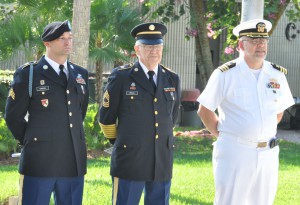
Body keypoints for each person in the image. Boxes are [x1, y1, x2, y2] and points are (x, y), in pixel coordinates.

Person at [197, 19, 295, 205]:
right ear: (241, 44)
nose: (261, 45)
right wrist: (223, 134)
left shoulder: (277, 74)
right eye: (255, 40)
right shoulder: (225, 74)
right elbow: (204, 109)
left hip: (268, 153)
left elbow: (278, 111)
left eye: (264, 41)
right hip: (236, 152)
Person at [5, 20, 89, 205]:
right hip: (39, 161)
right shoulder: (29, 74)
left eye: (70, 38)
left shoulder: (80, 74)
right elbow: (13, 116)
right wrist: (31, 139)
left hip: (72, 161)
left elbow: (79, 113)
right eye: (61, 38)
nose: (67, 42)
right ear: (47, 43)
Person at [99, 22, 181, 205]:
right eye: (148, 46)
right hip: (130, 159)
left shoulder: (172, 78)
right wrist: (120, 142)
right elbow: (106, 118)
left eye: (158, 46)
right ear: (137, 49)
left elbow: (171, 117)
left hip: (161, 159)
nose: (154, 51)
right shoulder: (122, 77)